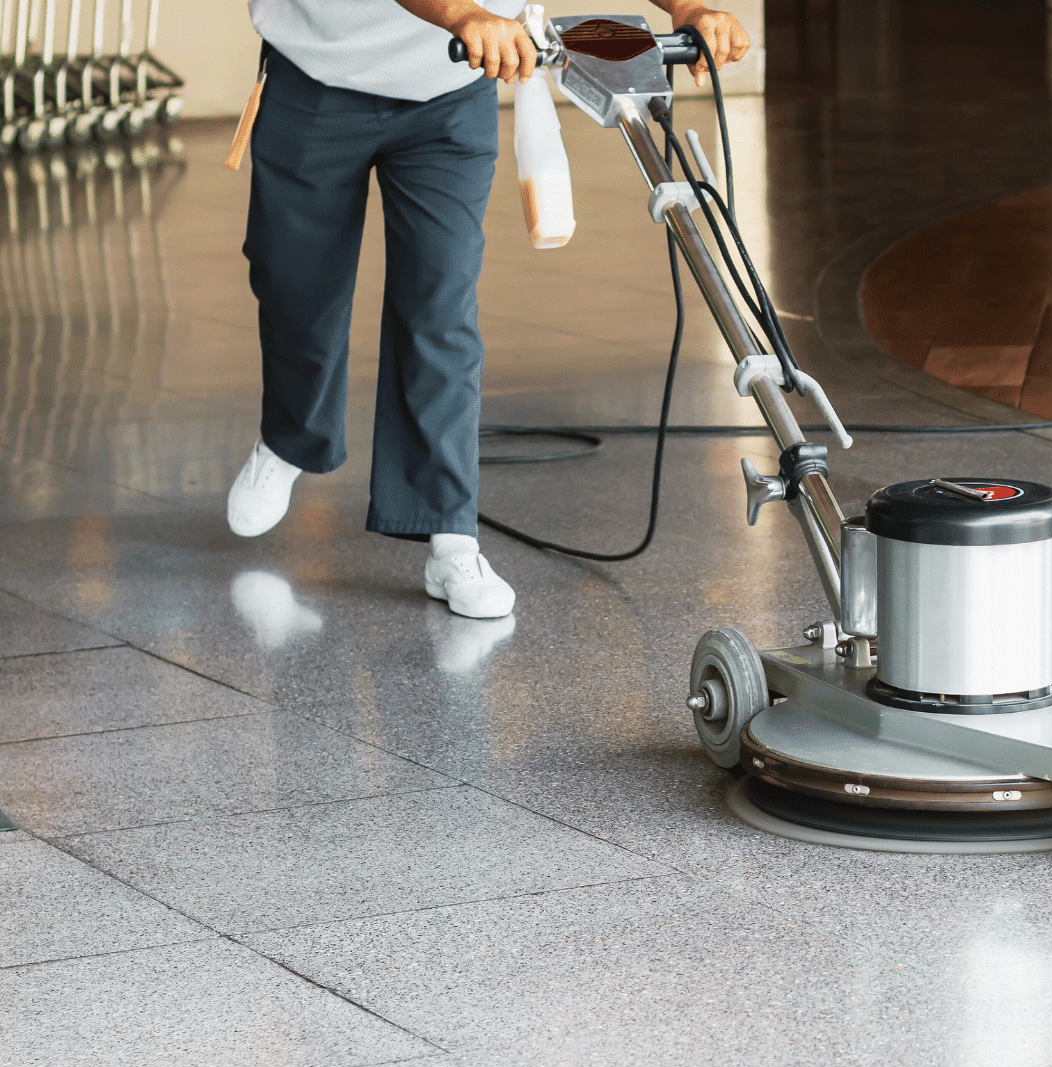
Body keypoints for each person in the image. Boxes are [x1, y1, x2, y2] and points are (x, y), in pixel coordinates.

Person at [227, 0, 751, 618]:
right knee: (297, 290)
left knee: (440, 308)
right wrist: (459, 12)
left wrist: (690, 7)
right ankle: (290, 439)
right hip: (314, 72)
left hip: (450, 87)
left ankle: (451, 535)